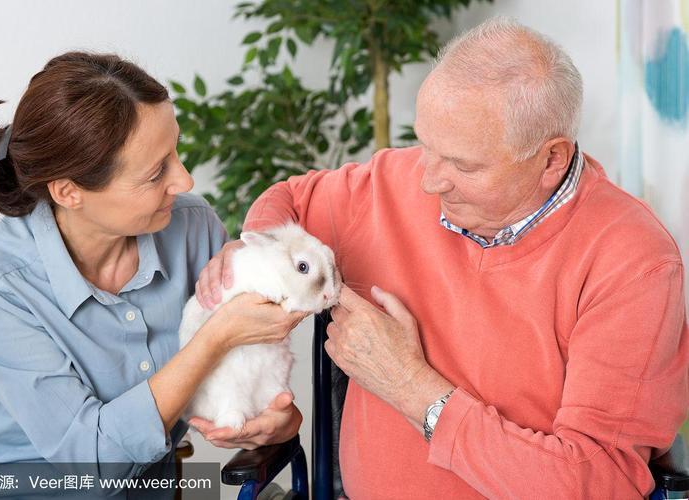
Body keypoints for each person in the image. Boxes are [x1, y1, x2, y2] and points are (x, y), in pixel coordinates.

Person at [196, 18, 689, 498]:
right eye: (426, 144)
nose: (429, 179)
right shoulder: (396, 181)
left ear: (551, 159)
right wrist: (253, 250)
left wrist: (412, 388)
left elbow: (600, 483)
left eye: (462, 164)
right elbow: (291, 199)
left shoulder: (633, 261)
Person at [0, 52, 305, 483]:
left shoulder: (192, 229)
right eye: (156, 174)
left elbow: (248, 366)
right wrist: (214, 338)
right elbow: (90, 461)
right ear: (69, 192)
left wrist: (275, 420)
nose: (185, 180)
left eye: (176, 150)